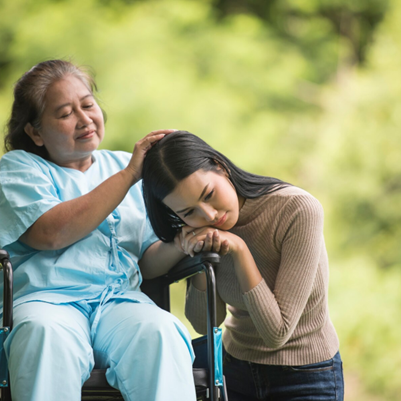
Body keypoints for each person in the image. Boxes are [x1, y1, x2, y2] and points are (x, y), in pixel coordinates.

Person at [0, 60, 197, 401]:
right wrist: (128, 176)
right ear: (35, 132)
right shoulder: (19, 168)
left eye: (88, 105)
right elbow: (50, 233)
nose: (84, 119)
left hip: (119, 303)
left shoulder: (123, 165)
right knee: (42, 333)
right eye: (64, 113)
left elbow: (149, 262)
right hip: (48, 302)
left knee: (160, 330)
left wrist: (184, 241)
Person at [141, 131, 344, 401]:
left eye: (209, 194)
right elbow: (204, 324)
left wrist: (238, 249)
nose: (209, 215)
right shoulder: (201, 230)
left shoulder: (297, 209)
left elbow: (277, 332)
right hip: (234, 372)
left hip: (306, 375)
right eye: (189, 212)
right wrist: (192, 251)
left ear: (221, 167)